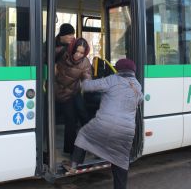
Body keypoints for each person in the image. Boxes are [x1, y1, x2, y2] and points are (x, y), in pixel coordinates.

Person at [67, 58, 143, 189]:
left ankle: (74, 165)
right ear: (133, 71)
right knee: (120, 160)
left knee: (83, 135)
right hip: (126, 131)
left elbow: (87, 86)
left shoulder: (111, 79)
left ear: (118, 69)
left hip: (104, 124)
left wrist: (84, 77)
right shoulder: (137, 85)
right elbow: (140, 99)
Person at [55, 37, 92, 154]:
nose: (78, 55)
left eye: (82, 53)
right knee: (46, 118)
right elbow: (44, 55)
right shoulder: (61, 52)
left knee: (73, 119)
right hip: (54, 91)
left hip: (71, 92)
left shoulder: (85, 62)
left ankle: (70, 150)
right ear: (72, 49)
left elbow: (87, 77)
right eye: (77, 51)